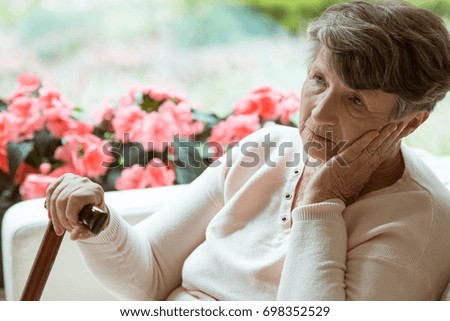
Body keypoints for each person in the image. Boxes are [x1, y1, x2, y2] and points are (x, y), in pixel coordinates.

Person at [45, 1, 450, 300]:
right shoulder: (269, 147)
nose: (318, 115)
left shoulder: (420, 220)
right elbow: (148, 275)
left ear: (410, 122)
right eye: (319, 80)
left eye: (355, 100)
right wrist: (95, 220)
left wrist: (323, 202)